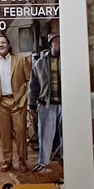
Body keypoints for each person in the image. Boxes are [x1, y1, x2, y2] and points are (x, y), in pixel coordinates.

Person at [0, 34, 31, 172]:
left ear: (8, 45)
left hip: (18, 102)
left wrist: (25, 96)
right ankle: (7, 160)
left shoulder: (20, 60)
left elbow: (29, 80)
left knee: (20, 132)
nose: (1, 45)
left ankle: (22, 160)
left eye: (3, 42)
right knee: (5, 134)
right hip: (0, 103)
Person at [29, 34, 62, 170]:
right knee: (45, 135)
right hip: (46, 104)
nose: (58, 43)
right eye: (55, 41)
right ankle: (43, 162)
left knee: (66, 135)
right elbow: (33, 85)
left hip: (65, 104)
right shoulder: (40, 63)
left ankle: (66, 160)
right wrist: (31, 104)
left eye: (60, 40)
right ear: (50, 43)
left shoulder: (68, 60)